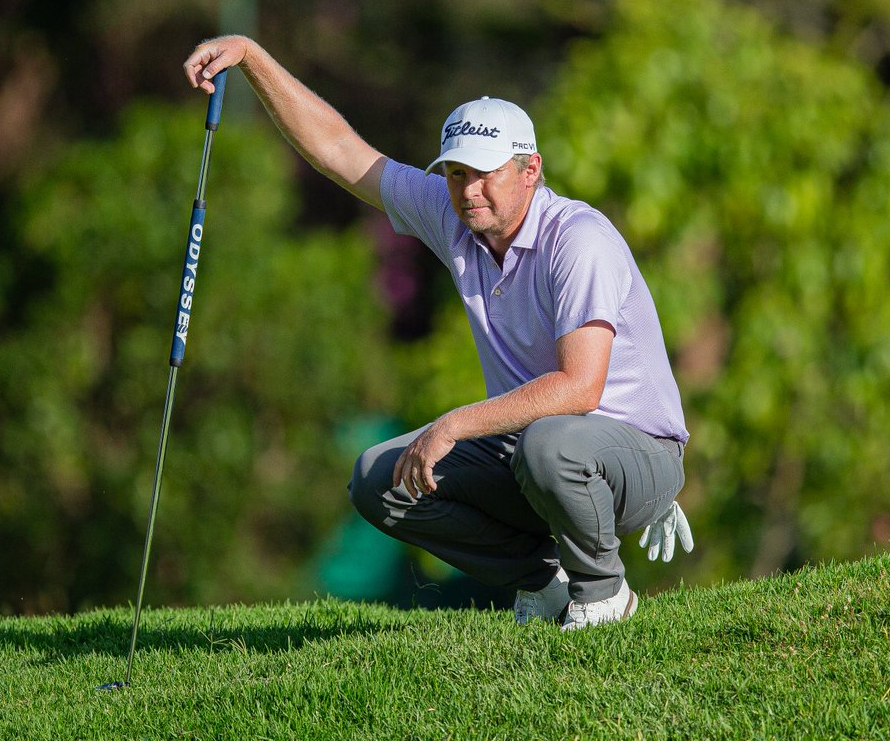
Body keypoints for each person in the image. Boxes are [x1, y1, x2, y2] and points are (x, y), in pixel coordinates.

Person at [183, 36, 694, 630]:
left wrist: (452, 424)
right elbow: (339, 152)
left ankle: (604, 594)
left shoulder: (579, 240)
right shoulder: (454, 215)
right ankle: (544, 580)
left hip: (633, 452)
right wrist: (251, 56)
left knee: (549, 443)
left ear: (531, 171)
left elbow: (580, 389)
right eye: (454, 174)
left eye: (483, 174)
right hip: (536, 454)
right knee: (382, 478)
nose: (467, 190)